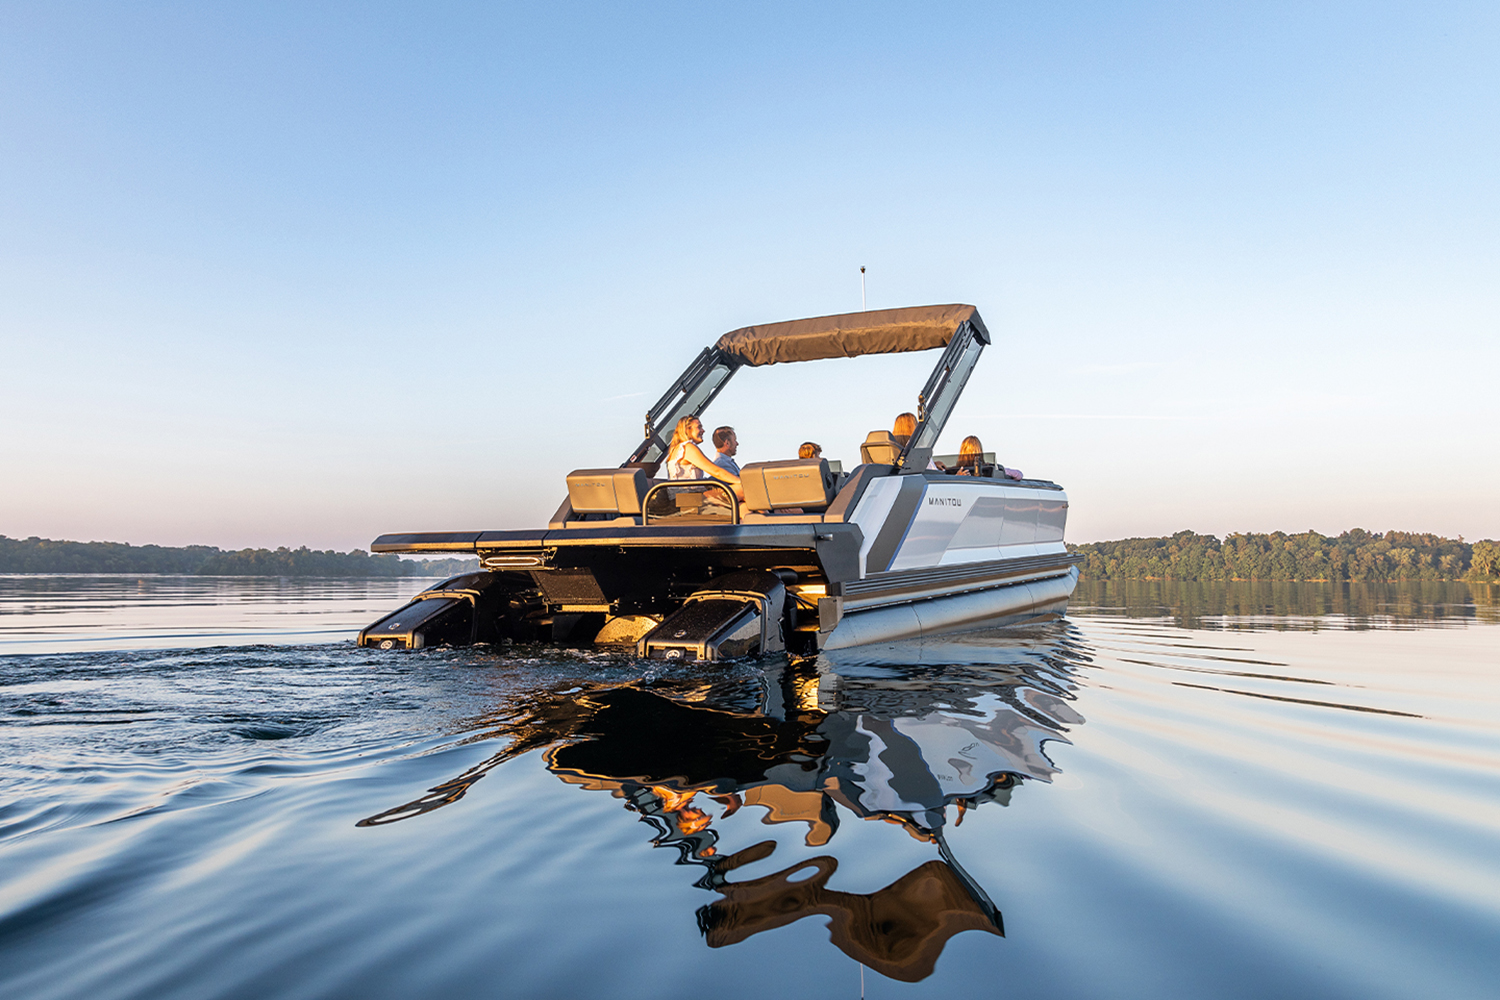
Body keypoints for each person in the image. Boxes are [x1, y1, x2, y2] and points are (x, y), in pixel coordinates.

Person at [665, 416, 744, 499]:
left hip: (688, 498)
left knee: (744, 508)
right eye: (699, 427)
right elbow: (716, 471)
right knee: (742, 489)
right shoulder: (687, 448)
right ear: (687, 430)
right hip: (689, 499)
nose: (703, 430)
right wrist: (741, 482)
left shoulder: (677, 449)